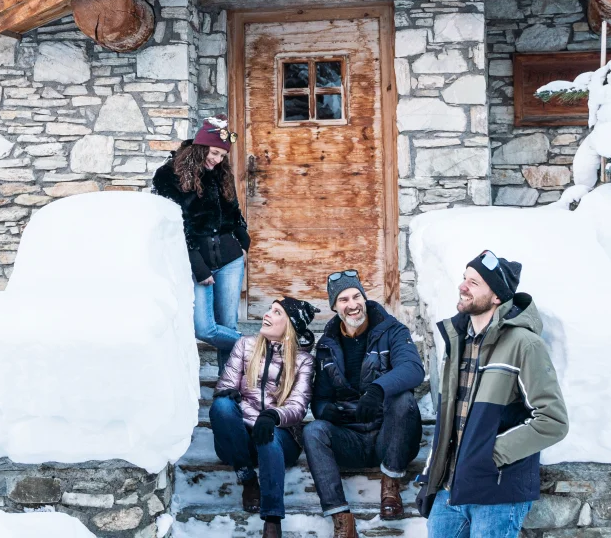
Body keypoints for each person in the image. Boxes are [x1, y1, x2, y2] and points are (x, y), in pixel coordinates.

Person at [416, 251, 568, 538]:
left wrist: (490, 455)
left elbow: (552, 421)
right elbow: (451, 419)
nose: (462, 286)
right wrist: (431, 475)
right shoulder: (457, 342)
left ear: (496, 296)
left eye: (474, 283)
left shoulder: (524, 344)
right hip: (449, 490)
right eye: (464, 279)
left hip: (497, 495)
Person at [303, 270, 424, 538]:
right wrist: (325, 411)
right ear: (335, 306)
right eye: (344, 299)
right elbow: (320, 399)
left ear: (364, 297)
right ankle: (340, 516)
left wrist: (378, 390)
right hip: (351, 439)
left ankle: (390, 483)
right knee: (313, 431)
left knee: (403, 399)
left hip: (390, 435)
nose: (352, 304)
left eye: (356, 296)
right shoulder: (326, 345)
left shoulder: (392, 330)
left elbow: (414, 369)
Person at [209, 297, 318, 538]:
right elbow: (225, 386)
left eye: (276, 312)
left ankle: (272, 519)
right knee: (222, 406)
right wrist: (249, 413)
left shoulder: (304, 361)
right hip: (240, 439)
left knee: (268, 435)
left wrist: (271, 415)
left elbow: (298, 407)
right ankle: (247, 478)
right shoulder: (244, 345)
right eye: (270, 309)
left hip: (281, 438)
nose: (267, 314)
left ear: (289, 325)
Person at [151, 115, 249, 357]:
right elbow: (175, 226)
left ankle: (227, 389)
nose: (217, 160)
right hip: (197, 263)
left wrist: (244, 243)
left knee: (228, 326)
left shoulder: (221, 173)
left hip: (230, 260)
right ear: (201, 147)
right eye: (214, 153)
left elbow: (235, 214)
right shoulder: (168, 176)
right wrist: (199, 266)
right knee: (204, 328)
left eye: (222, 156)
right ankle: (260, 345)